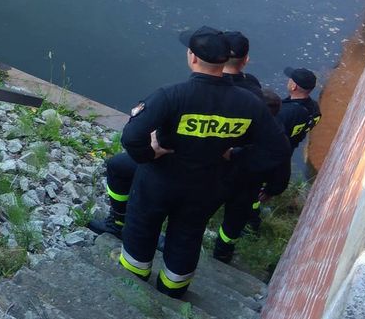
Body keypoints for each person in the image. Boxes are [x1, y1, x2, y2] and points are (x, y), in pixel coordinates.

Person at [118, 26, 290, 299]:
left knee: (142, 226)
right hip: (208, 185)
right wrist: (236, 157)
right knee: (187, 236)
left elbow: (132, 136)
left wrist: (150, 154)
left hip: (160, 180)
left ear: (192, 57)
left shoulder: (171, 96)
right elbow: (277, 149)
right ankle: (171, 293)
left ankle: (132, 284)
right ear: (225, 61)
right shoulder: (249, 104)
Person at [211, 86, 291, 263]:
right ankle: (222, 253)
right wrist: (272, 190)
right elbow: (282, 170)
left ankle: (213, 247)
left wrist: (230, 154)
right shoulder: (279, 137)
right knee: (234, 223)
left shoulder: (244, 126)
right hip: (248, 187)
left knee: (214, 212)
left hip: (226, 179)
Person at [280, 66, 321, 149]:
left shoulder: (285, 112)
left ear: (293, 86)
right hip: (289, 148)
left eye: (290, 79)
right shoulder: (315, 108)